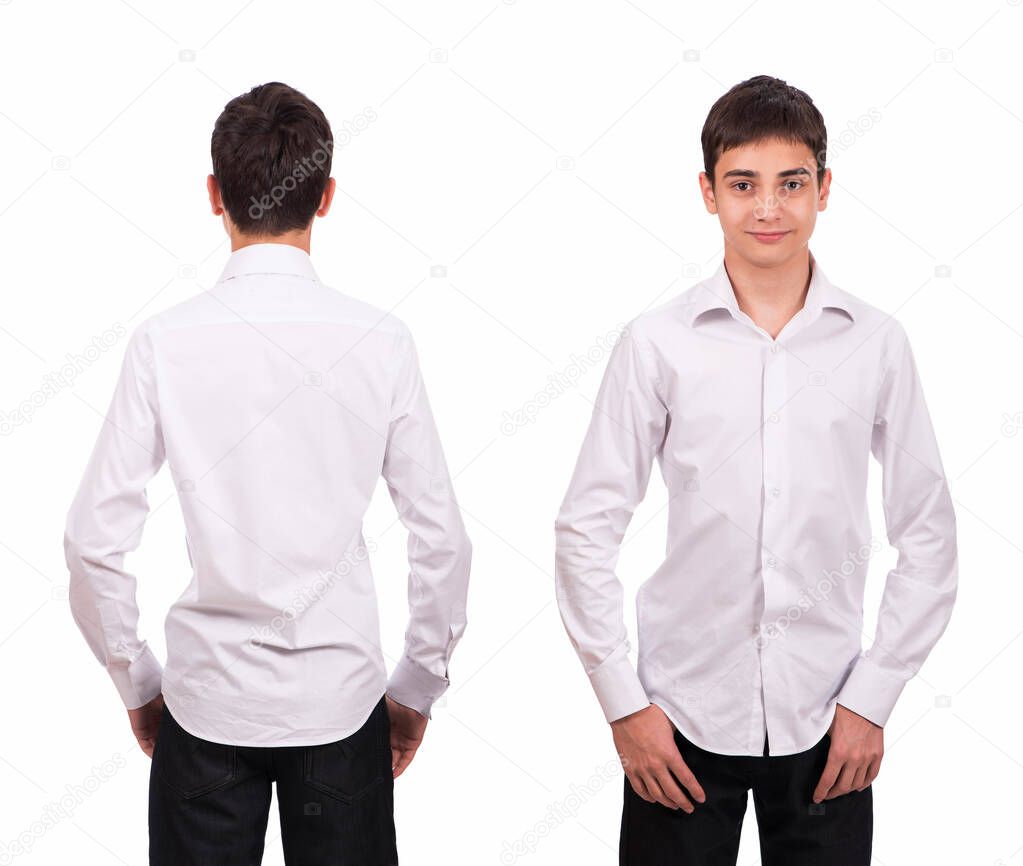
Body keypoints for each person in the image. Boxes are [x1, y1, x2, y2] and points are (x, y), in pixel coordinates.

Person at [63, 81, 471, 865]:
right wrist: (417, 687)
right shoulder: (380, 341)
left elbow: (90, 542)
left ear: (214, 195)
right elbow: (442, 540)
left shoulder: (163, 343)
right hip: (342, 707)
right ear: (326, 199)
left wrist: (137, 681)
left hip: (207, 703)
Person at [553, 74, 958, 865]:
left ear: (823, 189)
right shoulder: (656, 342)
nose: (767, 208)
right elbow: (584, 527)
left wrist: (873, 698)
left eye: (790, 184)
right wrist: (623, 704)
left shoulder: (875, 343)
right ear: (707, 193)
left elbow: (930, 535)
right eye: (743, 185)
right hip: (677, 720)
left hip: (829, 721)